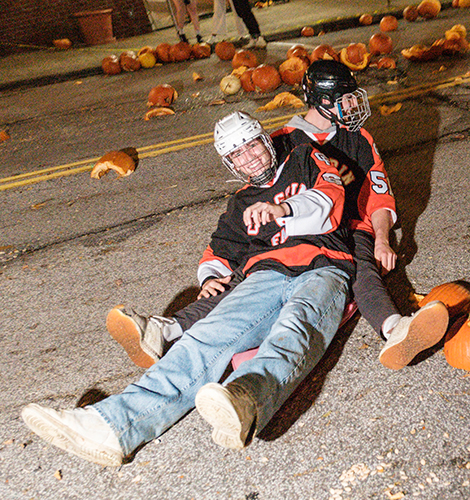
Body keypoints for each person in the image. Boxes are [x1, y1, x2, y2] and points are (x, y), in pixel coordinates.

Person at [22, 111, 355, 466]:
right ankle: (114, 425)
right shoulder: (240, 204)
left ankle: (246, 399)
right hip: (266, 275)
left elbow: (329, 201)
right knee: (205, 338)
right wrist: (210, 276)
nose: (250, 157)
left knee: (296, 330)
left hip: (325, 268)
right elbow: (218, 250)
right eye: (237, 154)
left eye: (252, 145)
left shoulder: (304, 157)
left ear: (265, 140)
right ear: (230, 164)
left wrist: (281, 208)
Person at [107, 60, 449, 373]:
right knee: (245, 280)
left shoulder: (359, 138)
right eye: (344, 99)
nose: (353, 106)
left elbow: (378, 194)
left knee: (361, 264)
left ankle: (394, 329)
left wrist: (383, 239)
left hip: (350, 226)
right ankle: (166, 330)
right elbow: (253, 205)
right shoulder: (280, 143)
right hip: (303, 232)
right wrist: (219, 270)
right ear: (322, 102)